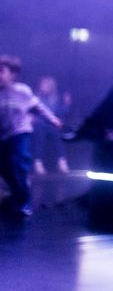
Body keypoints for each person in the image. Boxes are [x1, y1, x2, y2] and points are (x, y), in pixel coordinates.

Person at [0, 55, 62, 218]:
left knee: (17, 163)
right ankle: (16, 194)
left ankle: (24, 201)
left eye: (1, 71)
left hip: (19, 132)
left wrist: (53, 119)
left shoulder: (22, 91)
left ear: (12, 74)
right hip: (3, 136)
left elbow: (38, 107)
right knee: (5, 168)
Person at [32, 75, 71, 175]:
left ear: (51, 86)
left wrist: (67, 104)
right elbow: (36, 111)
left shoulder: (55, 99)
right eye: (42, 85)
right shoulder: (37, 97)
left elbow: (61, 112)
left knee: (58, 137)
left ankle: (62, 161)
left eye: (45, 85)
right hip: (40, 124)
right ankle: (38, 163)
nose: (42, 87)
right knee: (39, 136)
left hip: (52, 125)